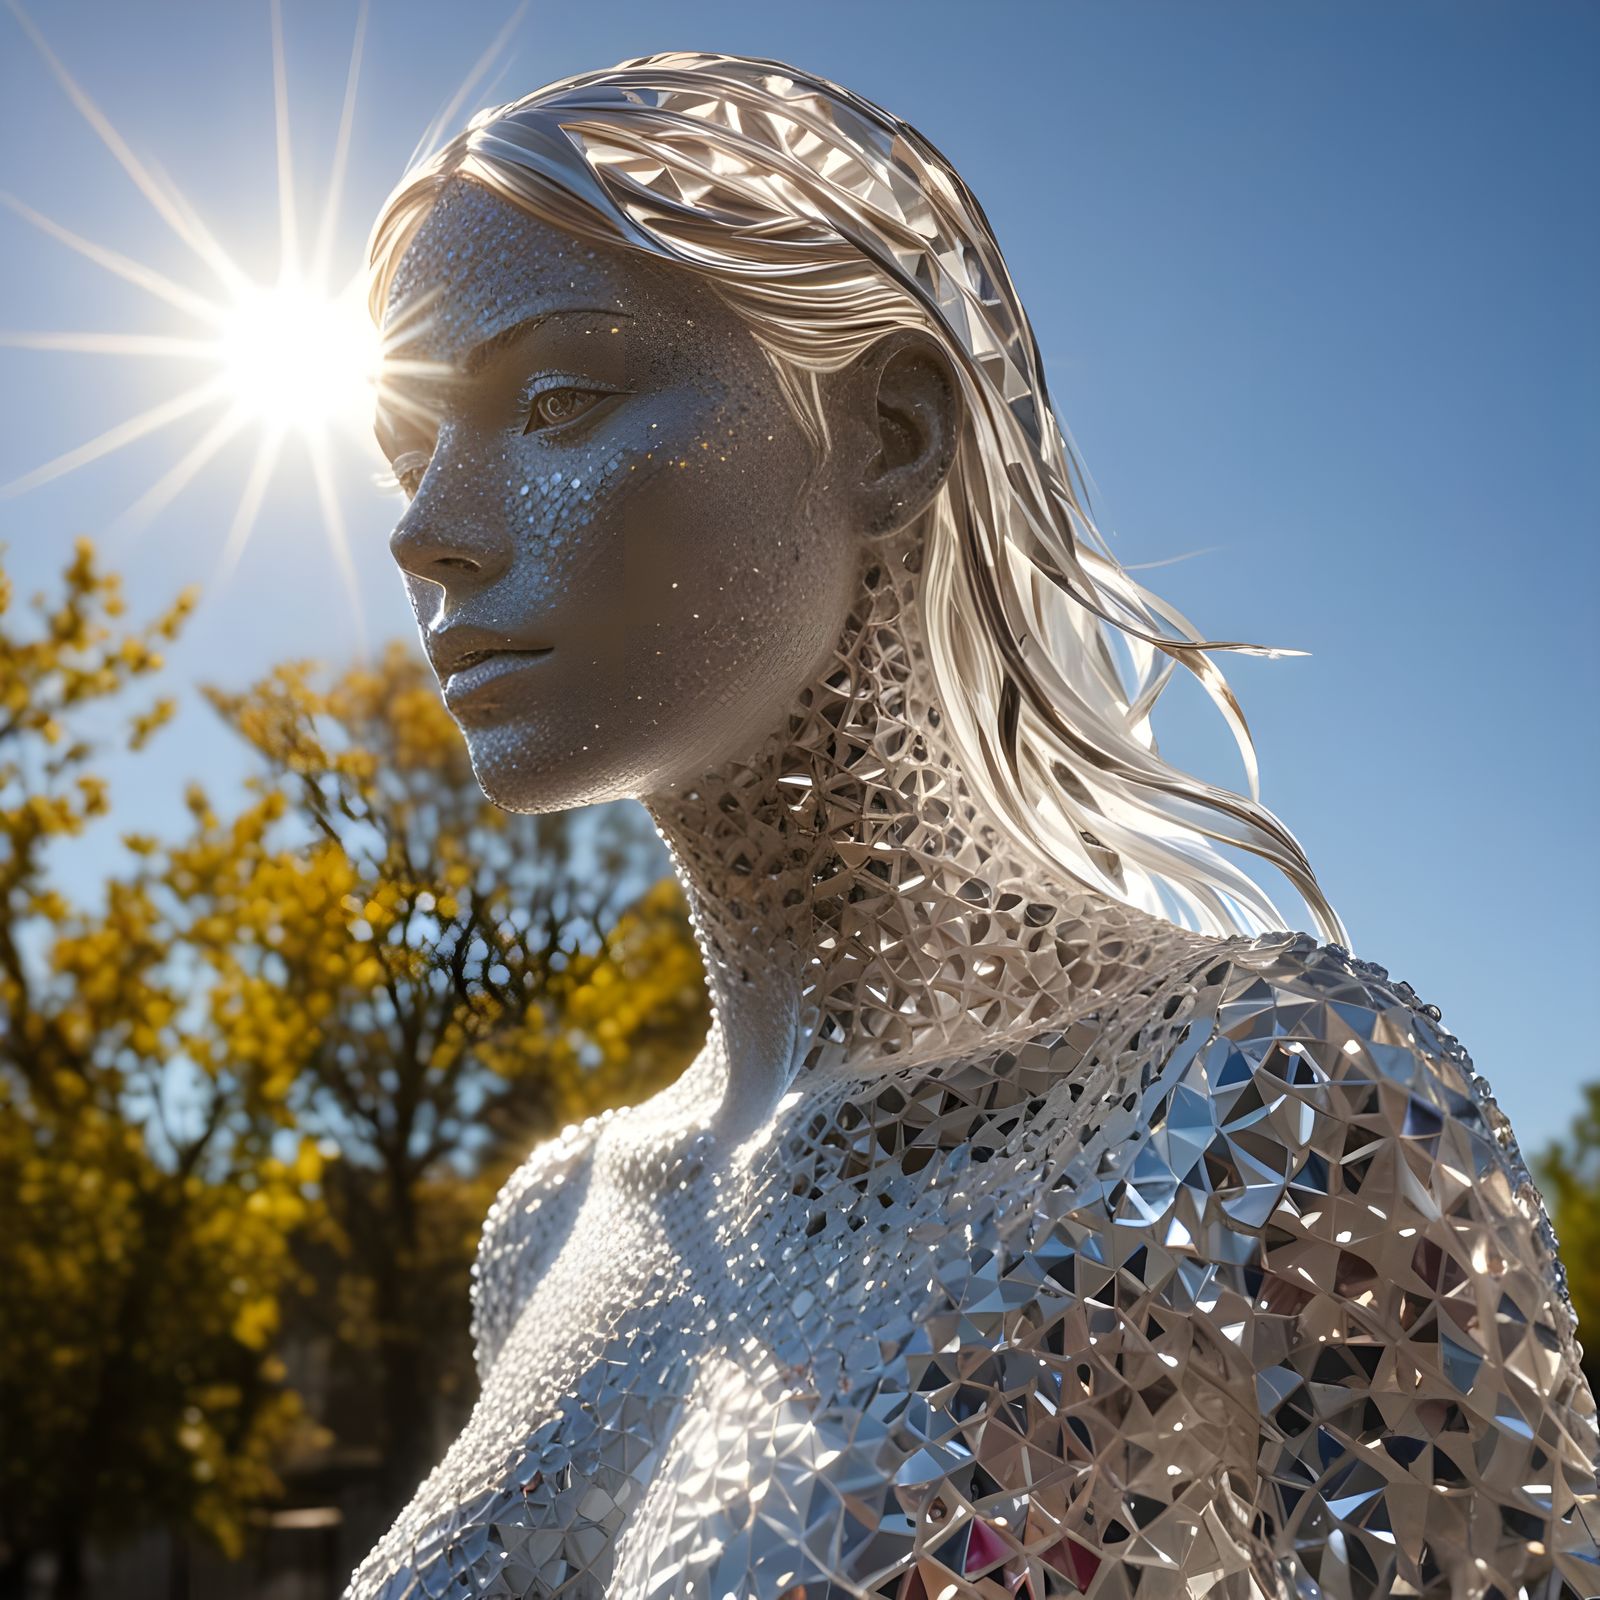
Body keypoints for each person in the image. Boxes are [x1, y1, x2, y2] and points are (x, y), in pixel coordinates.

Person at [350, 51, 1598, 1600]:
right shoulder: (555, 1225)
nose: (425, 530)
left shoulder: (1265, 1110)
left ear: (889, 433)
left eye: (555, 402)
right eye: (407, 450)